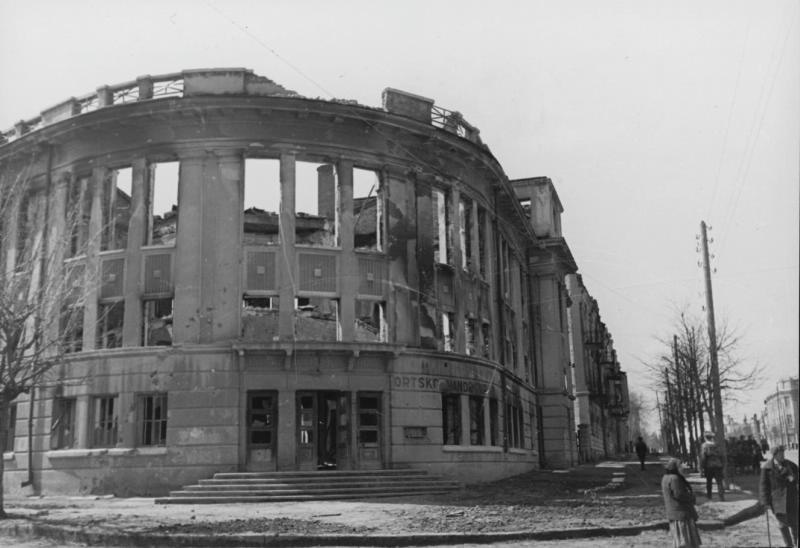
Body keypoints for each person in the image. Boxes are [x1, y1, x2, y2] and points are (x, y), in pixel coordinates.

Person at [759, 444, 798, 547]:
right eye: (780, 453)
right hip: (777, 501)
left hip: (792, 499)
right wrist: (765, 502)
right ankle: (789, 545)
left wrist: (793, 479)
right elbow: (764, 486)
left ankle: (796, 541)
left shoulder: (791, 465)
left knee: (795, 523)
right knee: (782, 524)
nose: (782, 455)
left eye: (783, 453)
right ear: (774, 455)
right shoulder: (767, 468)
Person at [662, 457, 702, 548]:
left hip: (675, 512)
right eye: (680, 466)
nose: (683, 468)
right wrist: (692, 497)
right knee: (685, 541)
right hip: (681, 513)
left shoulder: (666, 477)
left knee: (680, 540)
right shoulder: (675, 479)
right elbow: (679, 495)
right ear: (675, 467)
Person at [700, 431, 725, 501]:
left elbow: (703, 457)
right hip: (718, 465)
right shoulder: (717, 445)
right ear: (711, 438)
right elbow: (722, 455)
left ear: (705, 438)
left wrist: (702, 467)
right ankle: (721, 496)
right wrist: (722, 464)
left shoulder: (704, 446)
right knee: (719, 481)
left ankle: (709, 496)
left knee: (709, 482)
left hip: (709, 466)